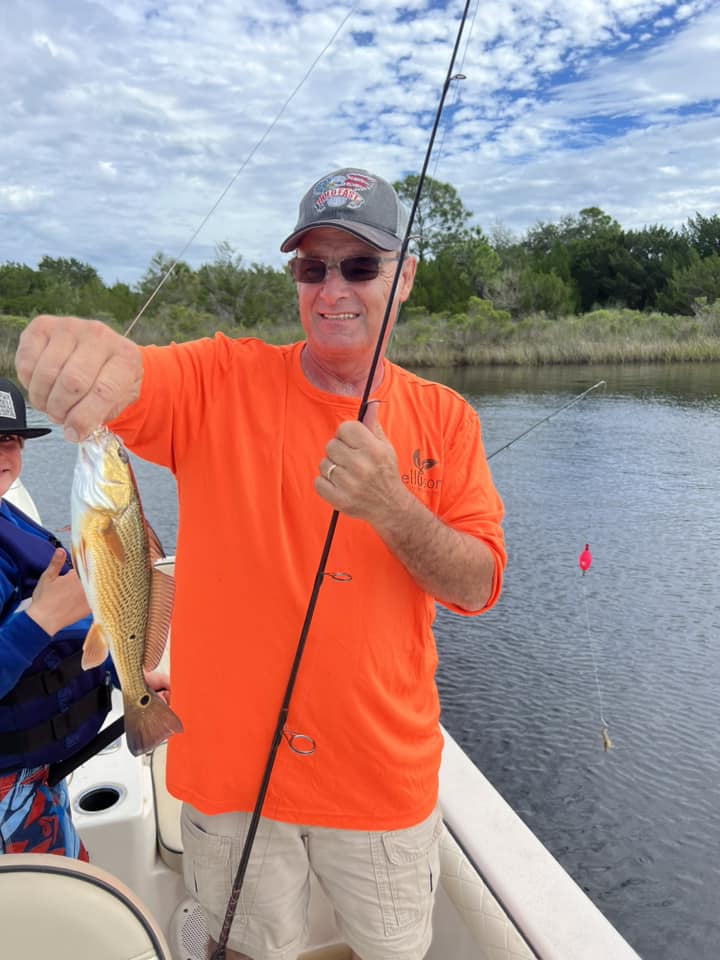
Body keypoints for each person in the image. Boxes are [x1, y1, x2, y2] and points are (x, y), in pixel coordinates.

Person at [15, 168, 506, 960]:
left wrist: (393, 504)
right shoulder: (220, 378)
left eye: (360, 265)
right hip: (232, 777)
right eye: (313, 267)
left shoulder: (447, 420)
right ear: (296, 279)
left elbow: (480, 583)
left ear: (405, 276)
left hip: (382, 779)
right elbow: (137, 380)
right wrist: (86, 359)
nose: (333, 288)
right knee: (243, 947)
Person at [0, 377, 113, 861]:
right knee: (62, 922)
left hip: (37, 772)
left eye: (10, 440)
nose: (3, 454)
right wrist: (39, 619)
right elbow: (42, 626)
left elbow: (63, 640)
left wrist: (124, 673)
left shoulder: (10, 518)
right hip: (8, 791)